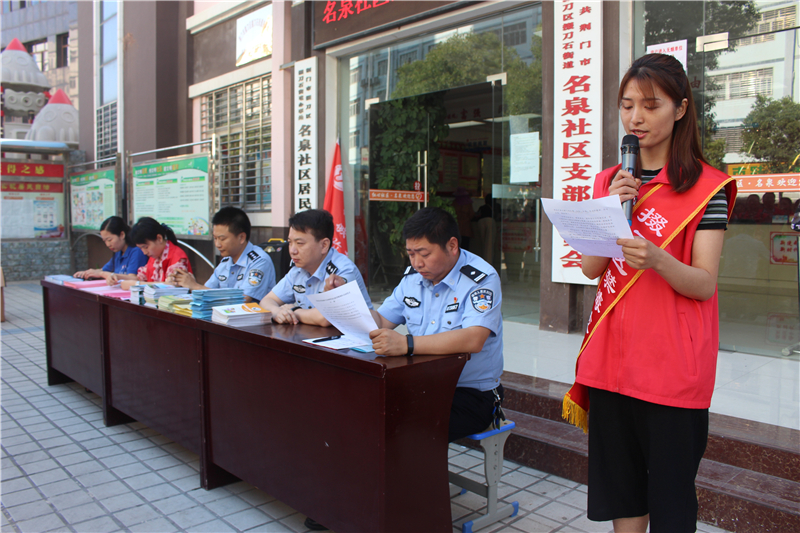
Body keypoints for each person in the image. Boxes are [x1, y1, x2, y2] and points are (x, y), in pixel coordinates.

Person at [563, 54, 736, 533]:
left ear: (680, 109)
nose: (635, 118)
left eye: (651, 105)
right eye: (626, 105)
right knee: (623, 492)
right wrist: (611, 207)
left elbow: (704, 283)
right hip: (611, 364)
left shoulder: (706, 187)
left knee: (671, 499)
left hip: (671, 370)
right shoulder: (608, 181)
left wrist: (658, 259)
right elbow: (592, 268)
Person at [259, 209, 372, 326]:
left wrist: (293, 310)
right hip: (312, 335)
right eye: (290, 242)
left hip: (355, 335)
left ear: (324, 245)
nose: (292, 250)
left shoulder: (342, 270)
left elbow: (326, 318)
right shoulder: (298, 270)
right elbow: (267, 300)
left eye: (299, 243)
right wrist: (277, 312)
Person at [167, 207, 275, 302]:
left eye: (222, 239)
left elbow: (243, 299)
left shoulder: (259, 261)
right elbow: (208, 289)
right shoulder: (226, 261)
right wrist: (185, 282)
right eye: (215, 238)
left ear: (241, 237)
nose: (217, 244)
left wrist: (195, 286)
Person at [117, 217, 193, 289]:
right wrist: (117, 277)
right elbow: (140, 277)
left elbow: (172, 285)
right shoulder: (155, 256)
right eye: (141, 248)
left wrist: (137, 284)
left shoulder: (177, 257)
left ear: (159, 238)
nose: (144, 252)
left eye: (146, 247)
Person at [73, 216, 148, 284]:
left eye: (109, 240)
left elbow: (134, 278)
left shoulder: (136, 251)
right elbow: (104, 270)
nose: (107, 244)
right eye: (104, 241)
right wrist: (87, 273)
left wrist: (102, 274)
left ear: (122, 235)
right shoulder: (118, 252)